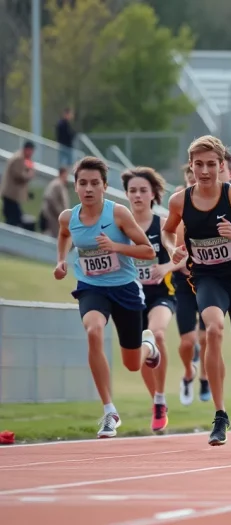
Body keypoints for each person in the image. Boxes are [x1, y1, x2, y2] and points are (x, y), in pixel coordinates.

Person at [163, 135, 231, 446]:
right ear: (191, 166)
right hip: (207, 277)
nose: (206, 170)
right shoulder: (179, 201)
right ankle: (220, 414)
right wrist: (174, 249)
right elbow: (168, 231)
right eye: (199, 165)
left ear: (221, 166)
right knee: (212, 328)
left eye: (212, 164)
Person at [53, 156, 161, 438]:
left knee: (133, 363)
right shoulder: (69, 217)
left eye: (94, 183)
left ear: (104, 186)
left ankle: (148, 345)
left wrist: (115, 246)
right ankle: (109, 411)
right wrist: (61, 261)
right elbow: (64, 234)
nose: (88, 189)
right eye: (83, 183)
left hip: (124, 288)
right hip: (91, 287)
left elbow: (147, 251)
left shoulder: (118, 214)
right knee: (93, 330)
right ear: (75, 186)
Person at [123, 167, 182, 433]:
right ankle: (156, 399)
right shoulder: (119, 226)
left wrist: (167, 267)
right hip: (130, 295)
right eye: (132, 190)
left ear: (153, 195)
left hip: (162, 293)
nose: (137, 195)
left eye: (142, 190)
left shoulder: (164, 224)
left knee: (157, 333)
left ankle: (160, 399)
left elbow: (186, 254)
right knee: (137, 353)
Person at [172, 167, 209, 406]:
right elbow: (171, 243)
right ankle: (189, 373)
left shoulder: (214, 206)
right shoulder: (177, 207)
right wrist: (180, 262)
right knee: (187, 341)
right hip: (184, 282)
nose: (193, 182)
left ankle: (205, 378)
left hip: (207, 279)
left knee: (207, 337)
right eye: (189, 179)